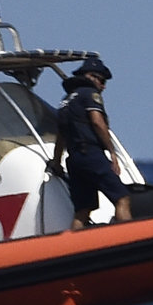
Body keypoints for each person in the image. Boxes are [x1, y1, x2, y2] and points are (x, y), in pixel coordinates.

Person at [54, 57, 126, 228]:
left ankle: (72, 248)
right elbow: (97, 122)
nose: (103, 86)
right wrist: (112, 153)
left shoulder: (66, 101)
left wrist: (56, 162)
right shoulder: (89, 94)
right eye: (101, 80)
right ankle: (129, 241)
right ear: (90, 76)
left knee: (82, 210)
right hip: (91, 155)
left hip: (74, 160)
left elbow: (61, 135)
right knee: (122, 198)